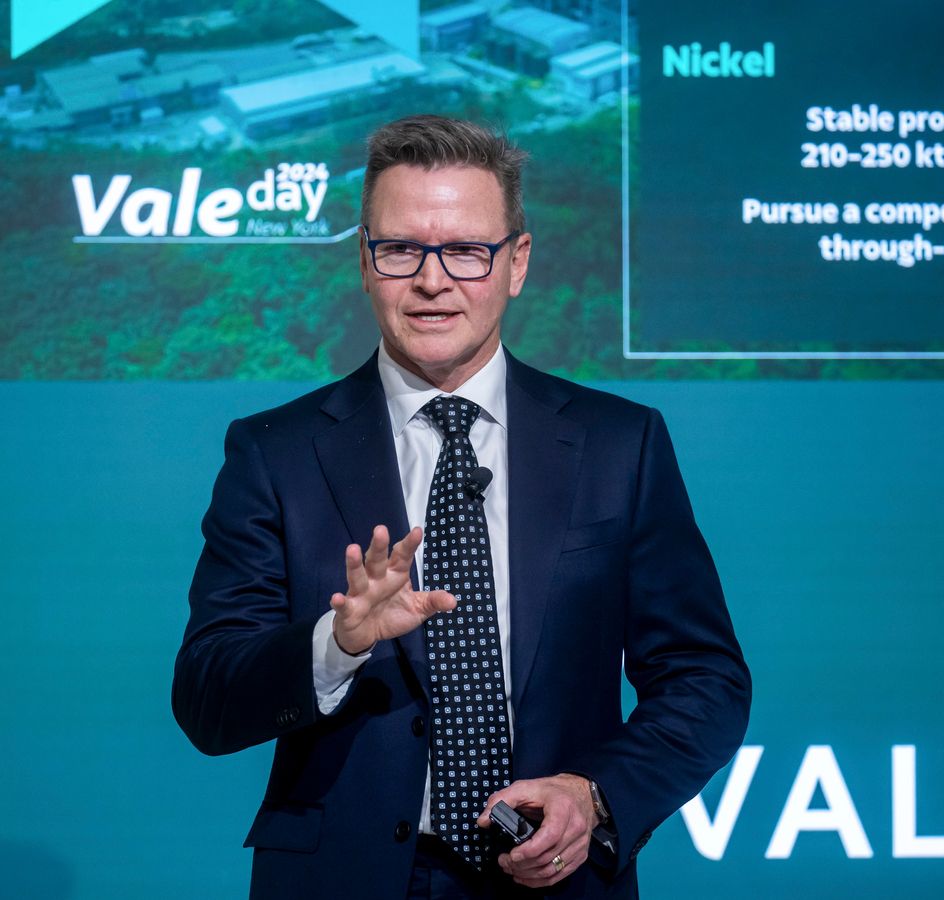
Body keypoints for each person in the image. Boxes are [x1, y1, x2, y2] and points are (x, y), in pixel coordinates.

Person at [173, 114, 751, 899]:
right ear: (365, 263)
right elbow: (207, 698)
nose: (433, 280)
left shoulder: (621, 445)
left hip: (555, 880)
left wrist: (596, 796)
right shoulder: (276, 452)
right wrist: (334, 645)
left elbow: (704, 678)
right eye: (402, 248)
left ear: (516, 263)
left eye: (467, 252)